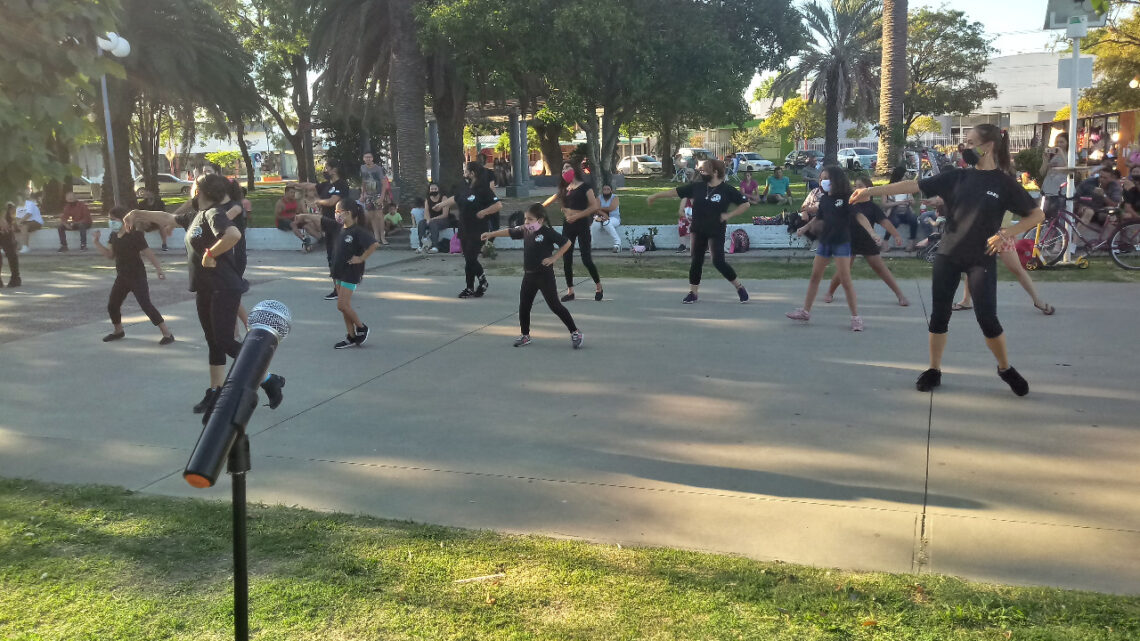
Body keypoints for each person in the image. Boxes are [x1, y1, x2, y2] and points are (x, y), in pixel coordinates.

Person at [850, 123, 1045, 395]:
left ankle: (1004, 368)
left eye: (970, 141)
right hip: (948, 255)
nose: (964, 147)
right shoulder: (957, 176)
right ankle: (934, 369)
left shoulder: (1004, 183)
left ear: (987, 146)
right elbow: (913, 184)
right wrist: (869, 192)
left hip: (981, 259)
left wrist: (1006, 233)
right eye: (964, 141)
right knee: (939, 316)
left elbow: (1037, 215)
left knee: (988, 319)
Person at [124, 173, 286, 413]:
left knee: (225, 341)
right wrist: (137, 213)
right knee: (214, 343)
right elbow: (167, 217)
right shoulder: (196, 215)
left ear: (200, 192)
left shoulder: (214, 214)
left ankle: (269, 379)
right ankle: (215, 392)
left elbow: (233, 235)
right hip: (205, 287)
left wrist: (211, 254)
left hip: (224, 286)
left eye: (193, 186)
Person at [647, 158, 751, 304]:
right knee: (696, 261)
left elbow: (745, 205)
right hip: (698, 229)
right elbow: (675, 192)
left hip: (716, 230)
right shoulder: (697, 187)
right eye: (700, 170)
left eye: (704, 170)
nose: (701, 172)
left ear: (715, 172)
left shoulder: (727, 190)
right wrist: (655, 196)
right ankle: (693, 293)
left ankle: (739, 287)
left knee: (718, 262)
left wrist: (728, 215)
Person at [481, 203, 583, 349]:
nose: (526, 222)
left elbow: (567, 243)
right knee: (524, 306)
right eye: (525, 219)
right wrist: (491, 234)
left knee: (555, 306)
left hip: (544, 276)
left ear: (540, 220)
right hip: (529, 276)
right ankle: (525, 335)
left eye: (530, 219)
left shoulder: (547, 232)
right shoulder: (526, 230)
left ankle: (575, 332)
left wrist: (554, 258)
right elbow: (510, 231)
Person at [785, 166, 869, 330]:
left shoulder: (847, 198)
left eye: (826, 178)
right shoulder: (824, 199)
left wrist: (872, 233)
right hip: (825, 241)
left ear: (836, 180)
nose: (822, 181)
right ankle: (805, 311)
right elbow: (818, 217)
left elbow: (859, 216)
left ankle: (855, 317)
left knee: (845, 280)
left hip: (841, 242)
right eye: (821, 178)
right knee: (815, 276)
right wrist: (805, 228)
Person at [92, 206, 175, 345]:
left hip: (137, 276)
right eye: (109, 219)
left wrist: (159, 269)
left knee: (145, 305)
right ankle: (118, 331)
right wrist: (96, 242)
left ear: (124, 220)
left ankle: (167, 334)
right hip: (122, 277)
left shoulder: (135, 235)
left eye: (113, 219)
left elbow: (149, 253)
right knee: (113, 305)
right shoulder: (113, 236)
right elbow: (110, 255)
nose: (111, 222)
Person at [823, 175, 910, 307]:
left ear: (869, 189)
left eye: (860, 186)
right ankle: (829, 292)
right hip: (849, 240)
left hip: (867, 241)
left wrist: (896, 234)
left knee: (881, 268)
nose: (856, 189)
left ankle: (900, 295)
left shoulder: (873, 207)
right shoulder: (850, 204)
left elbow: (884, 221)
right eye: (855, 186)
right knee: (844, 270)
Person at [432, 162, 502, 298]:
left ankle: (483, 281)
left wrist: (484, 212)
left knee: (471, 258)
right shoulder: (465, 188)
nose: (464, 173)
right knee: (468, 259)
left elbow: (498, 205)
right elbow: (455, 198)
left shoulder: (484, 189)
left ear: (472, 173)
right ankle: (470, 287)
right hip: (464, 229)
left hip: (478, 230)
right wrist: (441, 204)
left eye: (466, 171)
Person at [542, 161, 603, 302]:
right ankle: (570, 291)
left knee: (586, 258)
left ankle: (599, 287)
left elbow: (594, 207)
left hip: (581, 224)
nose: (565, 171)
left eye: (567, 167)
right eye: (563, 169)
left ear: (574, 169)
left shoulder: (585, 187)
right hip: (568, 226)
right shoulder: (565, 188)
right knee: (567, 258)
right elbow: (553, 198)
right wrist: (539, 206)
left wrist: (577, 216)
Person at [329, 200, 379, 349]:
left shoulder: (358, 231)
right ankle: (351, 336)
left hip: (351, 272)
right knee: (345, 307)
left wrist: (361, 258)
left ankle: (361, 327)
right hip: (338, 272)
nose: (336, 214)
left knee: (342, 305)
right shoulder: (340, 229)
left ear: (348, 213)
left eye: (338, 211)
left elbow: (374, 244)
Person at [316, 164, 349, 299]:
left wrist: (318, 202)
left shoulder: (341, 185)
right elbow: (309, 186)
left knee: (338, 258)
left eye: (326, 168)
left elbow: (331, 202)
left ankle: (342, 290)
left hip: (339, 225)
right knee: (331, 258)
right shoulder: (326, 185)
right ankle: (338, 289)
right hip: (328, 226)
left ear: (334, 169)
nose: (324, 171)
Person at [882, 165, 919, 252]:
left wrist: (910, 201)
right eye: (905, 176)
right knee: (895, 222)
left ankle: (911, 241)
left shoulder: (906, 188)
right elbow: (884, 205)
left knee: (914, 219)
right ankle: (885, 242)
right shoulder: (887, 188)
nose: (907, 178)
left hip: (906, 211)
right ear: (899, 176)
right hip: (893, 211)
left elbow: (913, 203)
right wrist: (898, 203)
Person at [1039, 133, 1069, 215]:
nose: (1059, 144)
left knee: (1058, 216)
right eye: (1057, 142)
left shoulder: (1070, 155)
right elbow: (1042, 172)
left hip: (1060, 191)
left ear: (1067, 143)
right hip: (1048, 190)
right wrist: (1045, 160)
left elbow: (1069, 169)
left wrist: (1061, 153)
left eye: (1062, 142)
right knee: (1045, 216)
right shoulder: (1052, 155)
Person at [417, 183, 451, 252]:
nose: (433, 190)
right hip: (431, 220)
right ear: (429, 191)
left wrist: (432, 220)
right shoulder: (427, 200)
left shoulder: (444, 198)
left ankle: (435, 246)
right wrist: (428, 220)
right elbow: (426, 213)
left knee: (433, 223)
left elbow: (445, 214)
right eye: (432, 189)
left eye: (435, 189)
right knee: (421, 223)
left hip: (443, 220)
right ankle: (422, 245)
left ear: (438, 189)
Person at [591, 184, 622, 252]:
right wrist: (604, 214)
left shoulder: (615, 198)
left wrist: (599, 208)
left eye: (608, 189)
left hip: (614, 218)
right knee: (595, 225)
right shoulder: (599, 198)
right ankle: (591, 244)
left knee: (606, 223)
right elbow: (596, 210)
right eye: (604, 189)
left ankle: (617, 244)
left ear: (611, 190)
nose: (606, 191)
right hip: (600, 217)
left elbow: (611, 208)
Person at [0, 202, 20, 288]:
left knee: (10, 250)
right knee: (10, 250)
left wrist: (2, 218)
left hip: (5, 215)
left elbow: (7, 199)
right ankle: (15, 278)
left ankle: (15, 277)